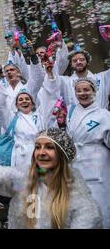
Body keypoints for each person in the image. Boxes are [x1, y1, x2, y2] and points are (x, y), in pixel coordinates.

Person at [0, 128, 102, 229]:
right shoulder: (23, 179)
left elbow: (89, 221)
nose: (41, 152)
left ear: (62, 155)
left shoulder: (79, 199)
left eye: (49, 147)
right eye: (38, 147)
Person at [43, 70, 110, 228]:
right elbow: (60, 140)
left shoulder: (104, 114)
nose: (82, 93)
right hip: (74, 165)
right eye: (78, 90)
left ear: (94, 91)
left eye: (86, 90)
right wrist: (60, 124)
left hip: (97, 164)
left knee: (100, 204)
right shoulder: (70, 112)